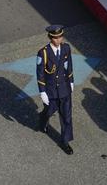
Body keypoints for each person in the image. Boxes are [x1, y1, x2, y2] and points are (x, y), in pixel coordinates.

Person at [36, 25, 74, 155]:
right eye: (56, 38)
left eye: (60, 37)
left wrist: (71, 81)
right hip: (51, 90)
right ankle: (43, 119)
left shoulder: (66, 48)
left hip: (64, 88)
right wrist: (42, 91)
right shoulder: (44, 53)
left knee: (67, 117)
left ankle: (65, 142)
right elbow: (40, 73)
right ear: (50, 37)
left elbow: (68, 65)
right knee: (49, 111)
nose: (59, 40)